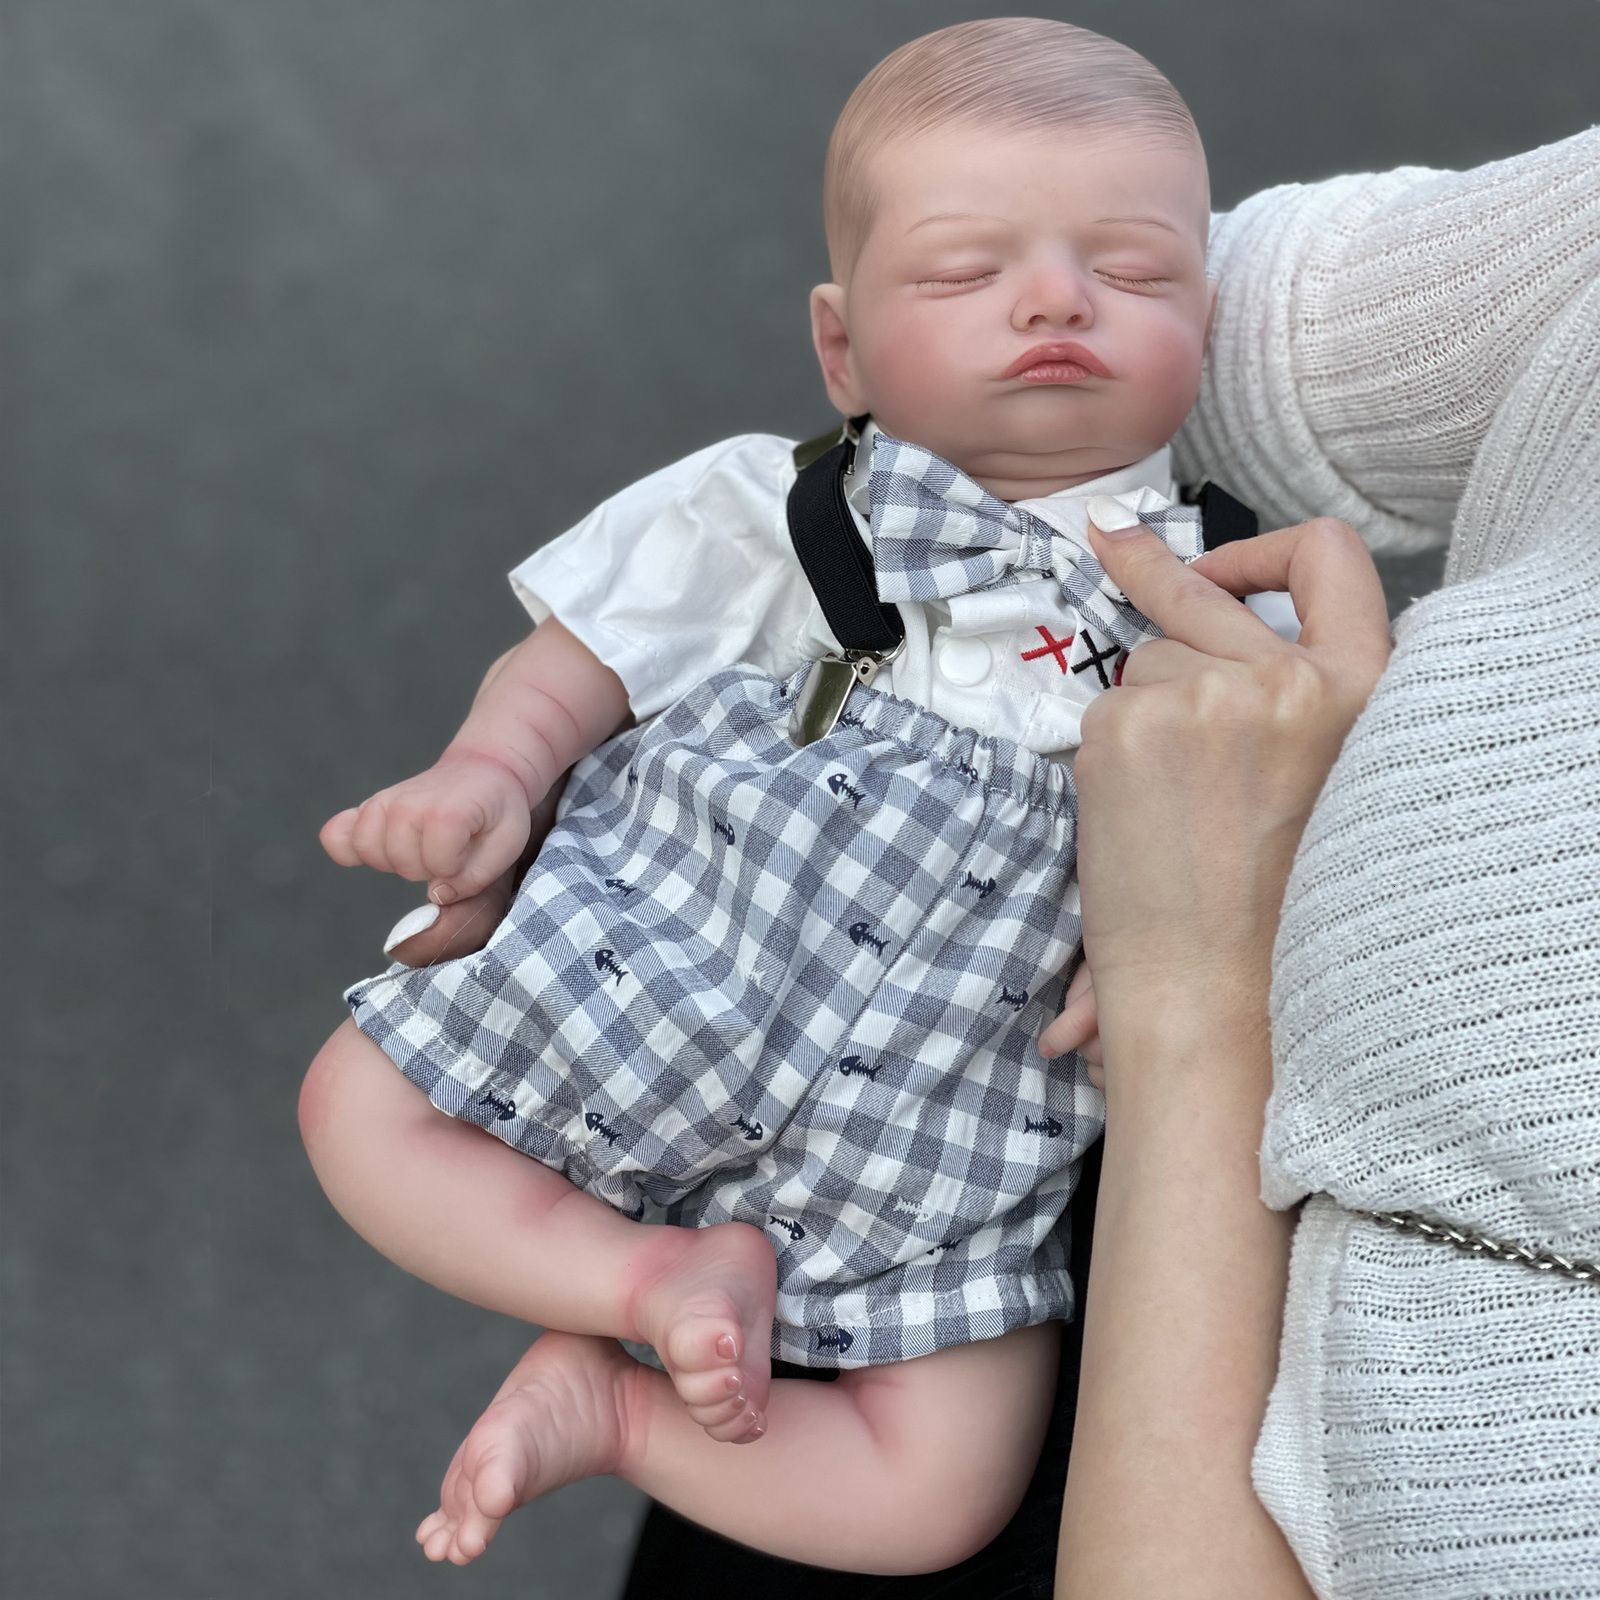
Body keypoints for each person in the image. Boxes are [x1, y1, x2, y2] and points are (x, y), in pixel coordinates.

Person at [298, 16, 1306, 1578]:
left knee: (933, 1503)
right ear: (842, 348)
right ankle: (641, 1289)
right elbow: (585, 659)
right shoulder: (782, 509)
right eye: (972, 273)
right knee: (361, 1108)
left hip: (964, 1091)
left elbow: (1261, 814)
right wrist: (490, 773)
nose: (1057, 299)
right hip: (695, 945)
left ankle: (616, 1410)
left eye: (1135, 271)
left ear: (1213, 323)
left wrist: (1171, 934)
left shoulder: (1237, 587)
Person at [610, 90, 1600, 1600]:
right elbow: (1264, 327)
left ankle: (611, 1387)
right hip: (1018, 1113)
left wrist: (1200, 989)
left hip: (1176, 1378)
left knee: (895, 1473)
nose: (1059, 301)